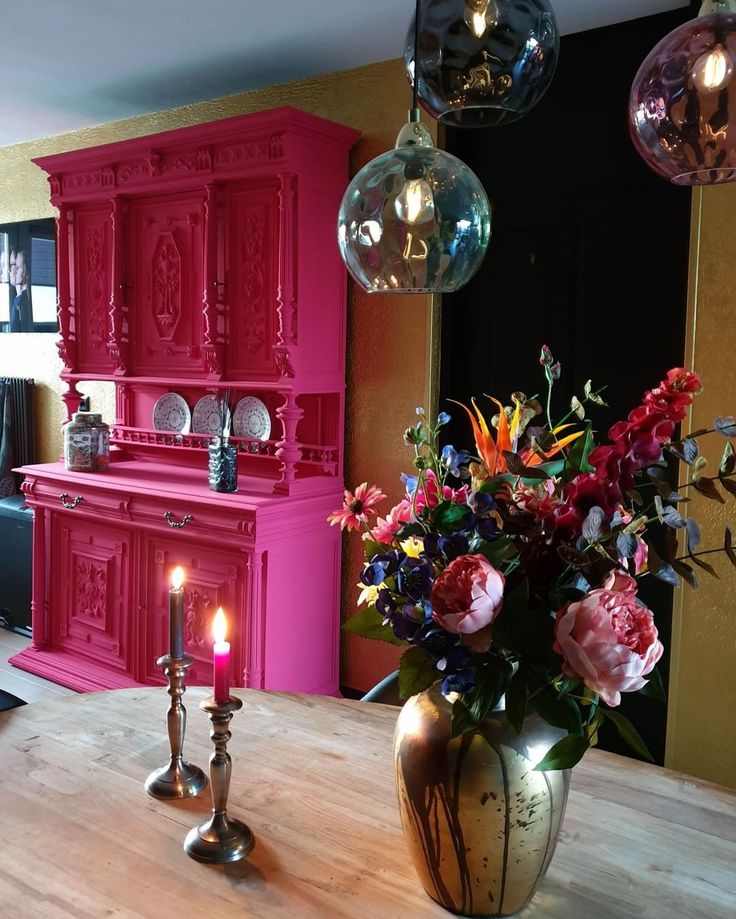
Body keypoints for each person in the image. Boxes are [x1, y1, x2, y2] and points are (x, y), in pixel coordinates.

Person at [9, 248, 32, 332]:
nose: (12, 271)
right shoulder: (17, 299)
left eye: (18, 267)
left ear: (27, 273)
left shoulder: (23, 302)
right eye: (12, 266)